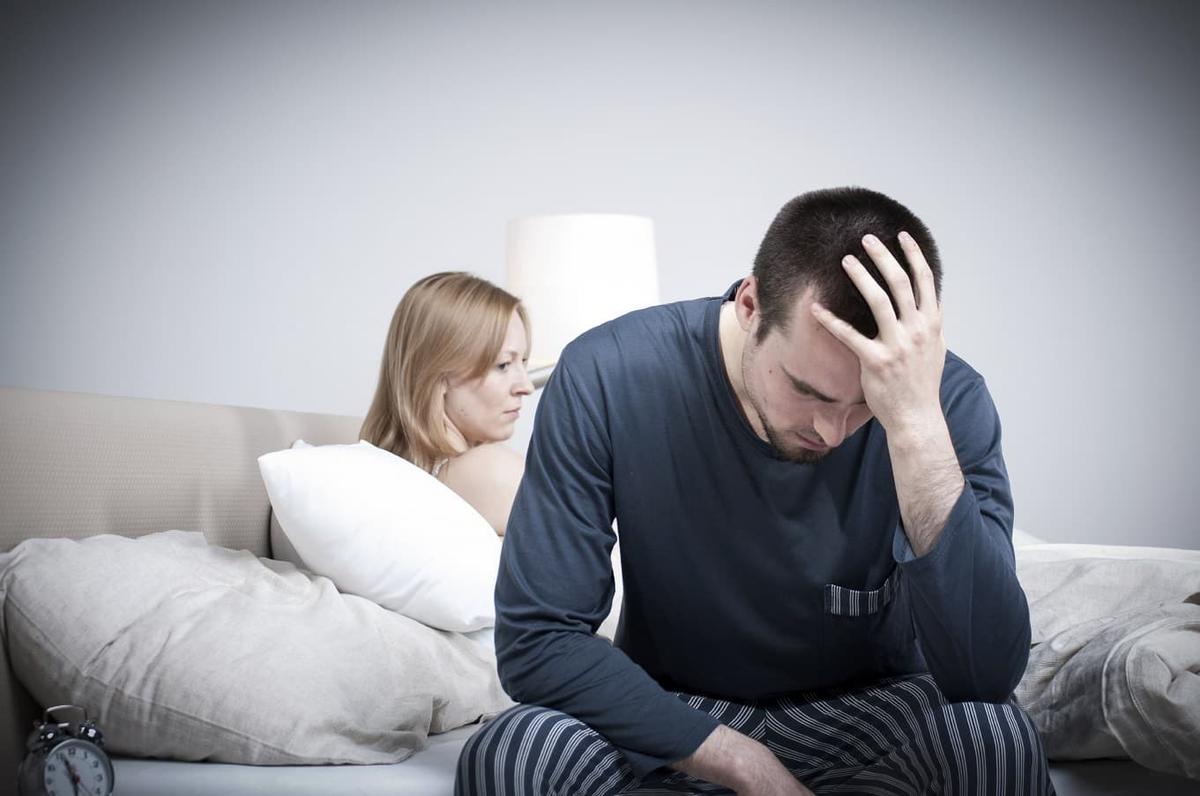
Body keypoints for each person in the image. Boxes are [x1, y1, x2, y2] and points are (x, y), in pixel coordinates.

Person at [456, 188, 1055, 795]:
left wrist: (915, 423)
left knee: (994, 735)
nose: (831, 431)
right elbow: (538, 639)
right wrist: (738, 760)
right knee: (514, 751)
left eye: (865, 406)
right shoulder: (608, 373)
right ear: (750, 305)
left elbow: (986, 676)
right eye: (809, 391)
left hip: (870, 712)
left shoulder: (947, 402)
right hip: (676, 715)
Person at [360, 271, 533, 536]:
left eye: (523, 362)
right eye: (503, 365)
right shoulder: (489, 471)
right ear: (436, 374)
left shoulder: (409, 481)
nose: (526, 386)